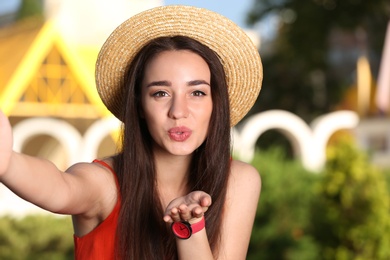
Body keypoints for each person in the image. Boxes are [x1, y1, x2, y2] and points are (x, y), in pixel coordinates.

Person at [0, 5, 263, 260]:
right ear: (139, 105)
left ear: (215, 103)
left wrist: (190, 226)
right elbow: (61, 188)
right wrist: (7, 162)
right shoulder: (105, 184)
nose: (179, 111)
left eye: (197, 92)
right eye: (161, 93)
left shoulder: (238, 181)